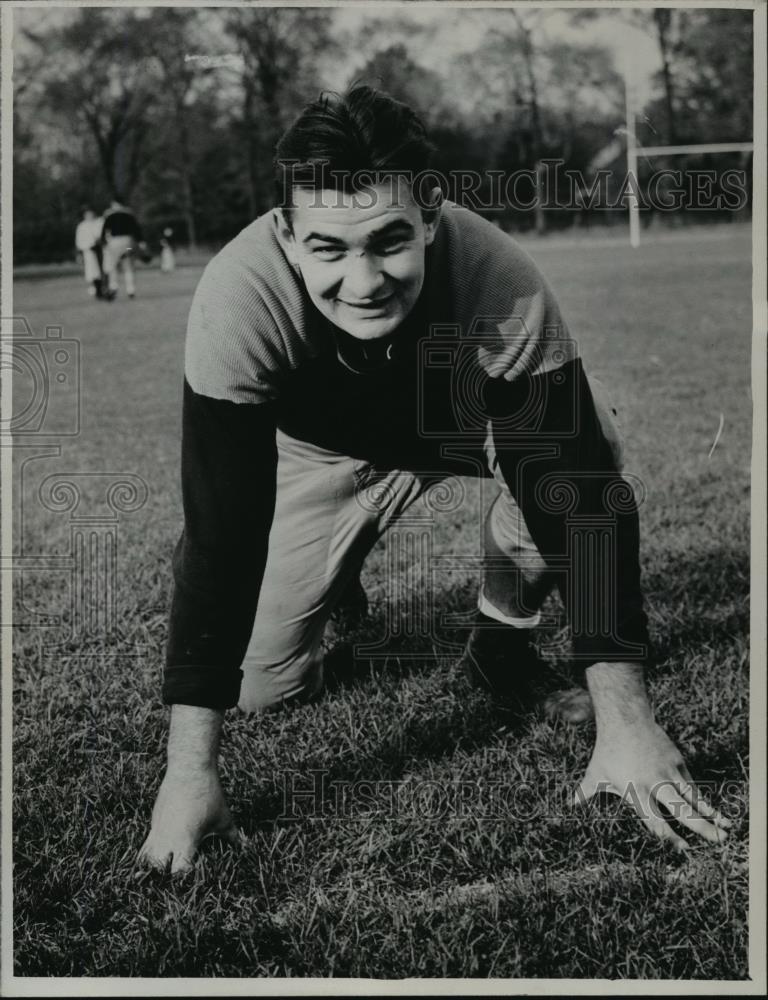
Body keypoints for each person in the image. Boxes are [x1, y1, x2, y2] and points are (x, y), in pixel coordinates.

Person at [140, 87, 731, 873]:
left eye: (388, 240)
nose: (363, 279)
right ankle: (332, 580)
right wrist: (189, 774)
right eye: (328, 248)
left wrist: (626, 722)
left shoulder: (495, 276)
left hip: (464, 426)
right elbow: (222, 532)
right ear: (286, 231)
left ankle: (500, 640)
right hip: (319, 453)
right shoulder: (237, 297)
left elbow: (579, 497)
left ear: (431, 211)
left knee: (591, 444)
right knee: (260, 688)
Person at [100, 194, 145, 300]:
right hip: (128, 243)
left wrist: (103, 243)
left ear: (114, 203)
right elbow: (136, 229)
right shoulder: (129, 213)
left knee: (113, 266)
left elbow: (104, 231)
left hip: (114, 243)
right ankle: (131, 290)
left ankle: (113, 287)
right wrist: (141, 241)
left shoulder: (109, 214)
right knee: (128, 265)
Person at [74, 207, 104, 298]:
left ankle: (102, 288)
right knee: (92, 271)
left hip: (100, 250)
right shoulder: (82, 226)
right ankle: (96, 289)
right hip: (89, 251)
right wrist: (80, 252)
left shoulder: (99, 223)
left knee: (102, 270)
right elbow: (79, 240)